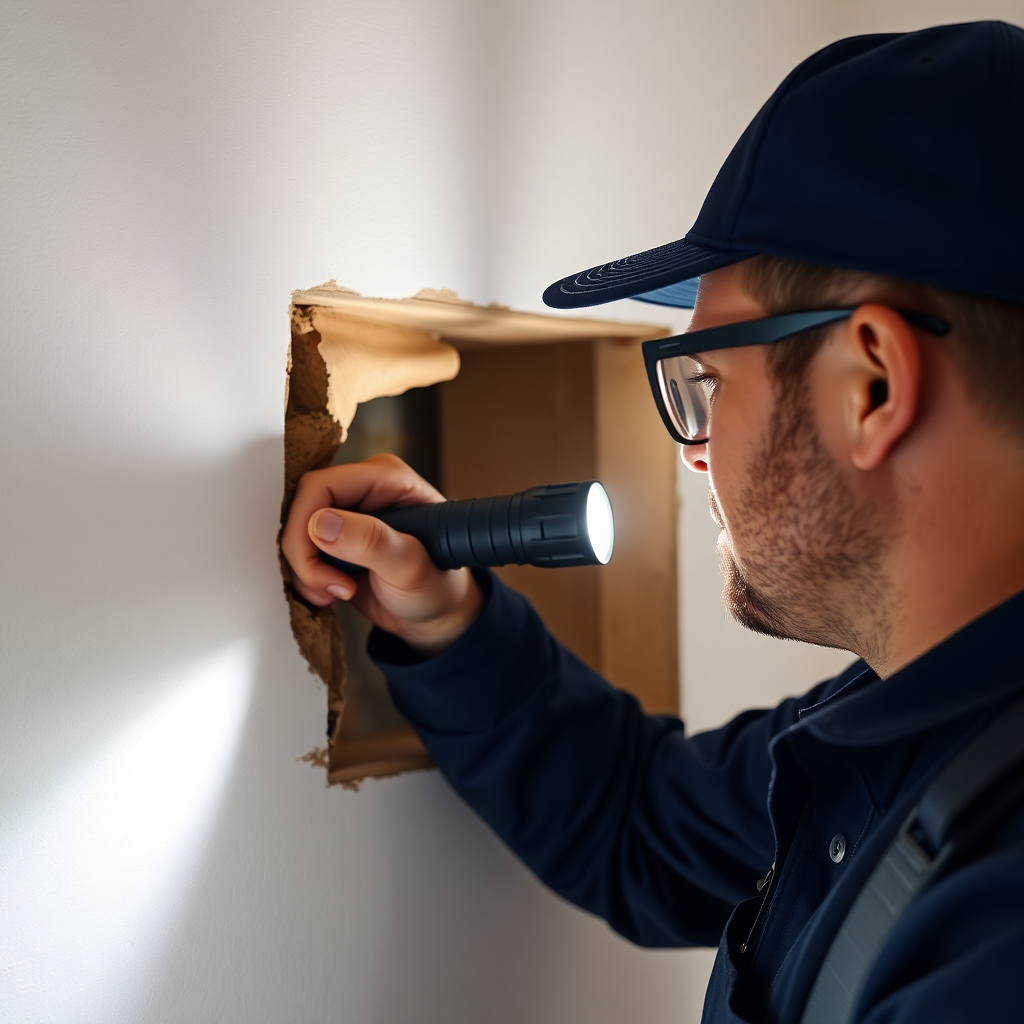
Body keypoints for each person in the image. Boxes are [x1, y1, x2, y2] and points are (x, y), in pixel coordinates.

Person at [282, 22, 1024, 1023]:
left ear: (871, 384)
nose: (691, 446)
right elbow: (639, 820)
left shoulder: (995, 931)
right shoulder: (905, 715)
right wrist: (447, 619)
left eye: (705, 381)